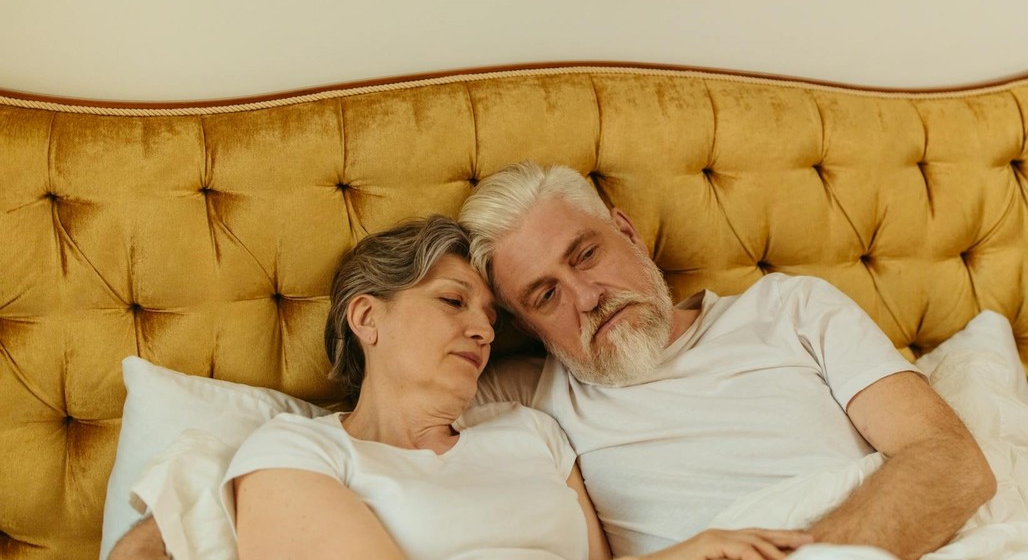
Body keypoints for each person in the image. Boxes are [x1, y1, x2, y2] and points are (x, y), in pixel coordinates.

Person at [111, 215, 809, 560]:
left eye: (491, 317)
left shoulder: (532, 431)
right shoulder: (295, 452)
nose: (480, 329)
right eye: (452, 302)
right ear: (367, 318)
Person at [458, 163, 998, 560]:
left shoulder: (791, 309)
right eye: (546, 295)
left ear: (628, 233)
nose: (587, 297)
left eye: (586, 254)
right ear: (527, 327)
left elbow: (951, 463)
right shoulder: (521, 400)